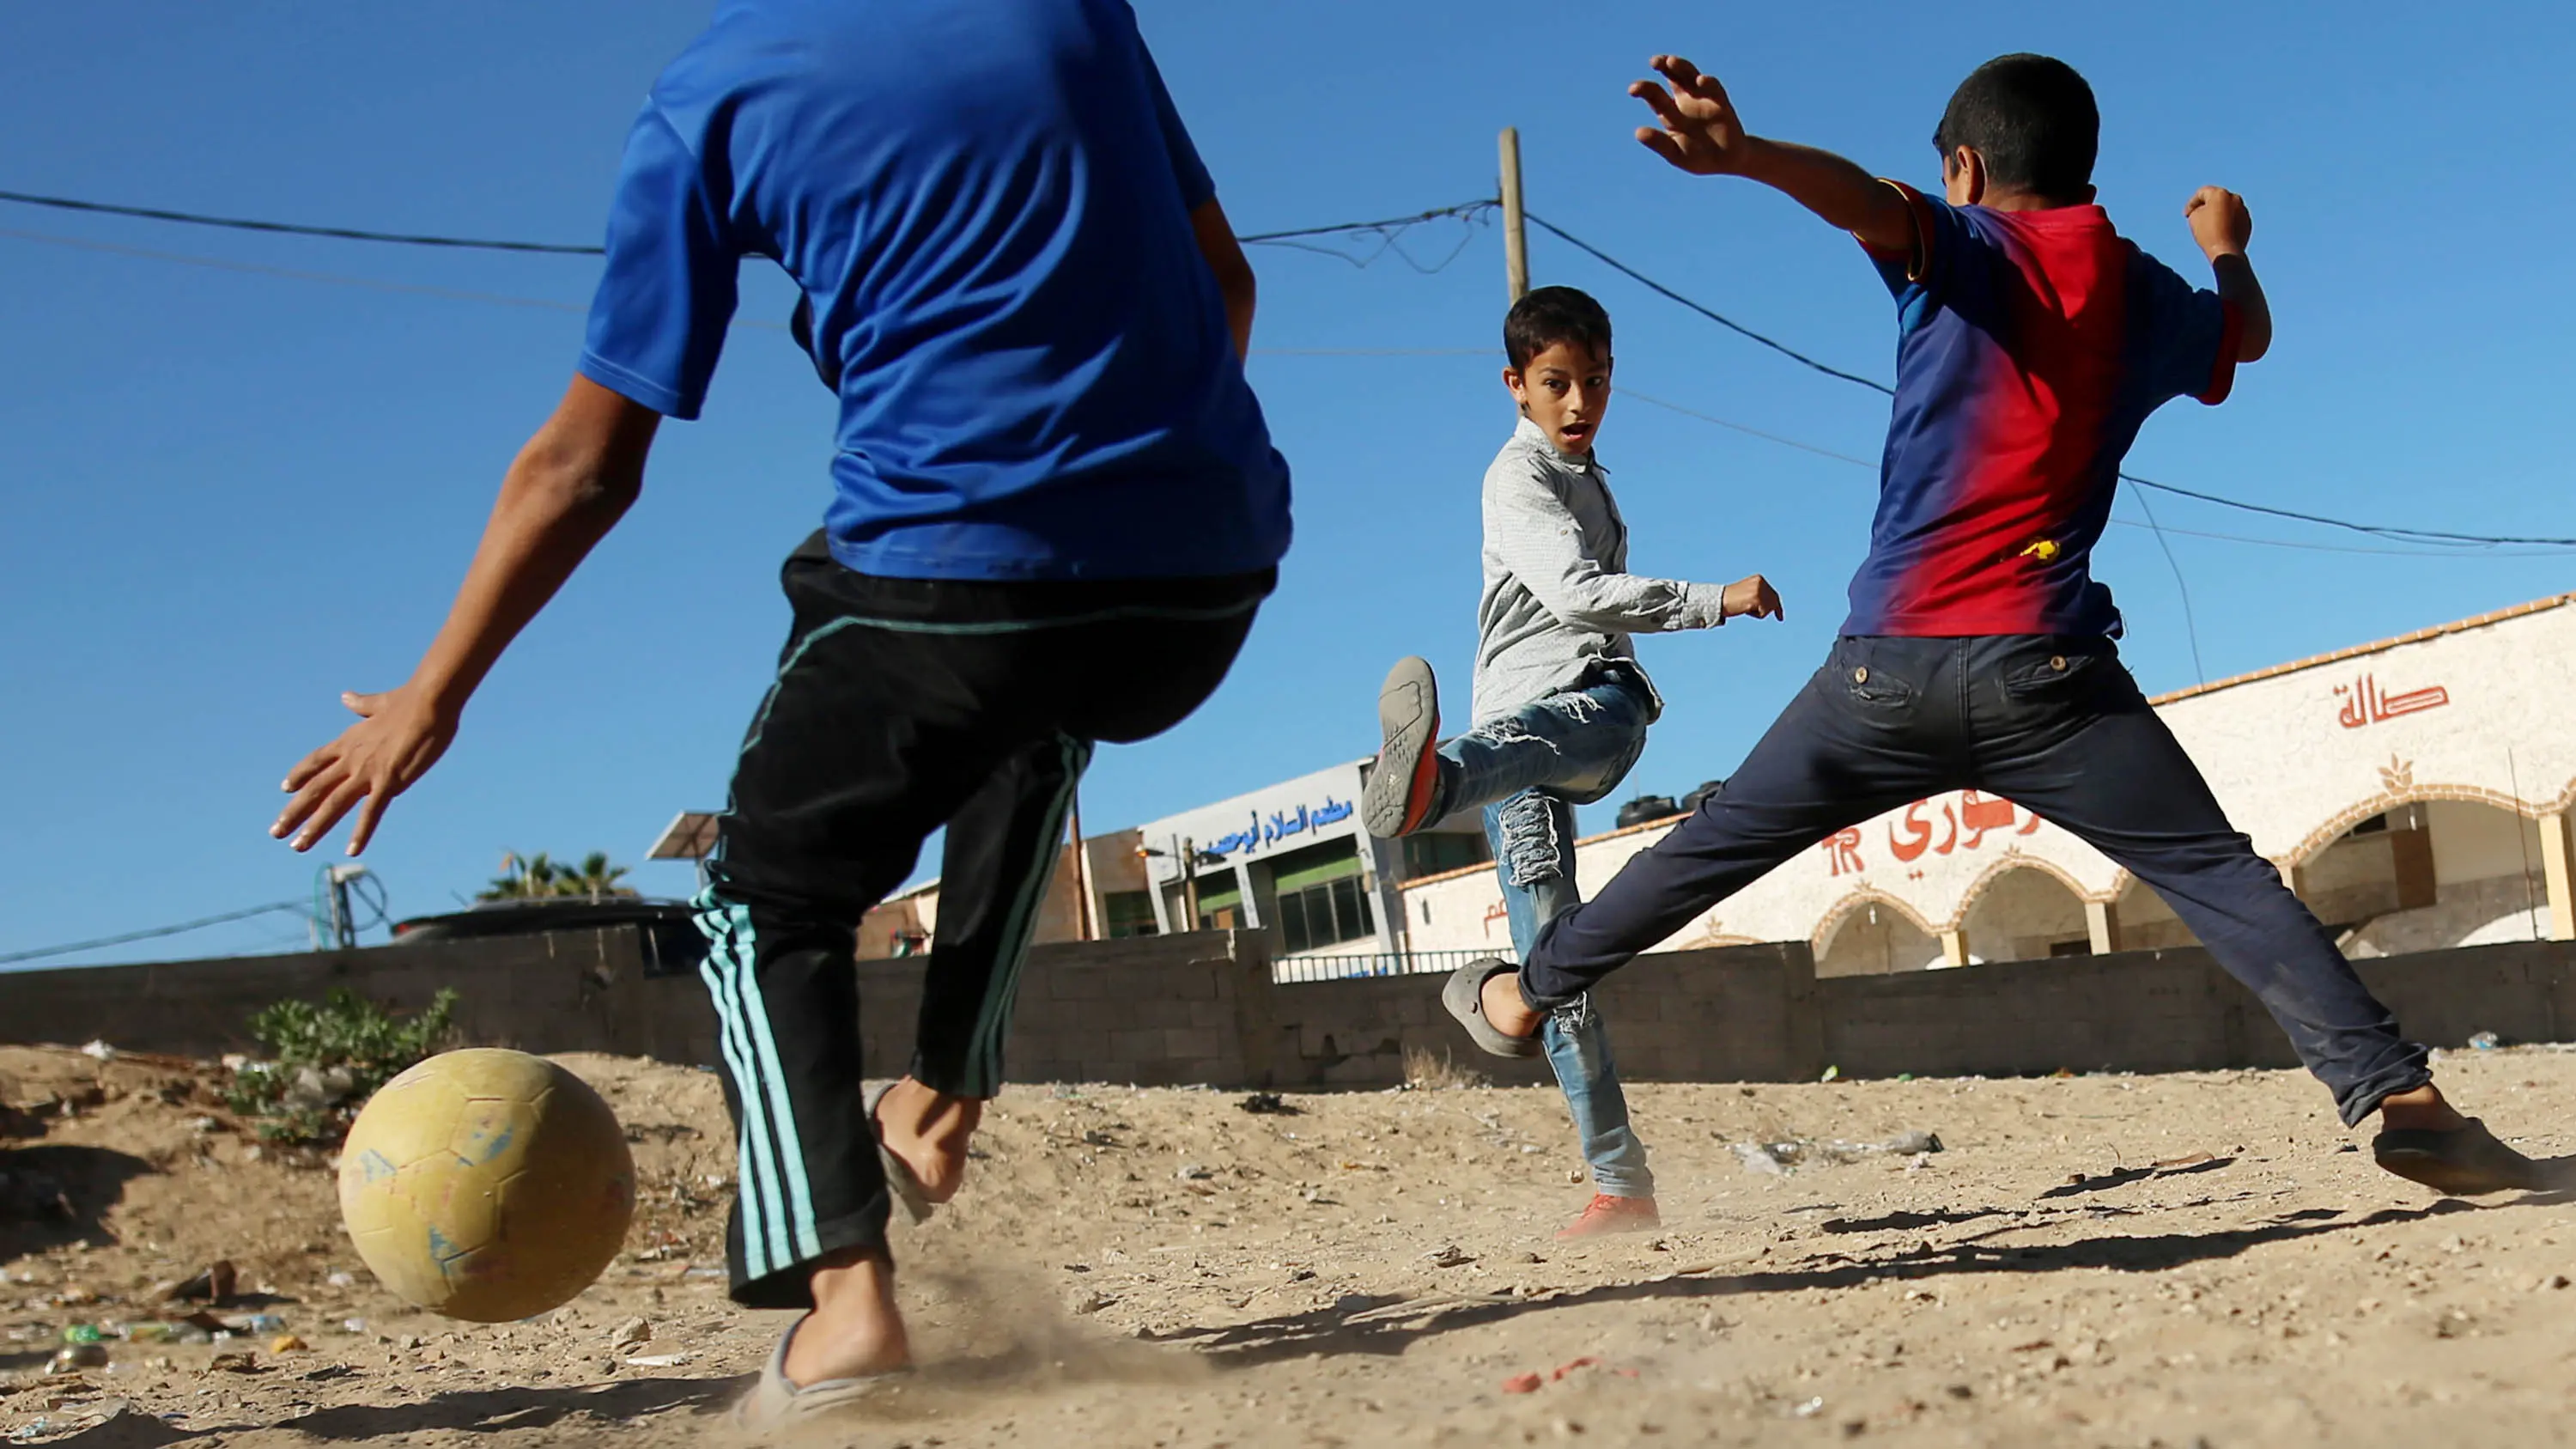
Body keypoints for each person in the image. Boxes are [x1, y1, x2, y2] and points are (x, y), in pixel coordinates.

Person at [269, 0, 1291, 1424]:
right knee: (1034, 700)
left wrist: (433, 694)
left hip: (953, 571)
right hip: (1212, 566)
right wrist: (1133, 485)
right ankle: (937, 1101)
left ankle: (844, 1294)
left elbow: (584, 465)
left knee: (760, 896)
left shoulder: (711, 100)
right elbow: (1224, 285)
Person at [1450, 52, 2543, 1197]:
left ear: (1964, 168)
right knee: (2224, 876)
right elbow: (2245, 336)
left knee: (1705, 847)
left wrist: (1750, 158)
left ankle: (1523, 994)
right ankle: (2404, 1097)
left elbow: (1865, 203)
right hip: (2052, 677)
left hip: (1887, 673)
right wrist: (2227, 246)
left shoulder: (1966, 248)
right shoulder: (2144, 291)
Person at [1362, 284, 1783, 1239]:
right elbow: (1579, 592)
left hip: (1577, 721)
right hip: (1537, 722)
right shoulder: (1518, 480)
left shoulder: (1587, 478)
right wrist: (1715, 597)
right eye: (1556, 384)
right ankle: (1621, 1186)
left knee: (1578, 730)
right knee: (1557, 968)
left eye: (1594, 382)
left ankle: (1441, 782)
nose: (1579, 403)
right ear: (1515, 384)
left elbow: (1582, 602)